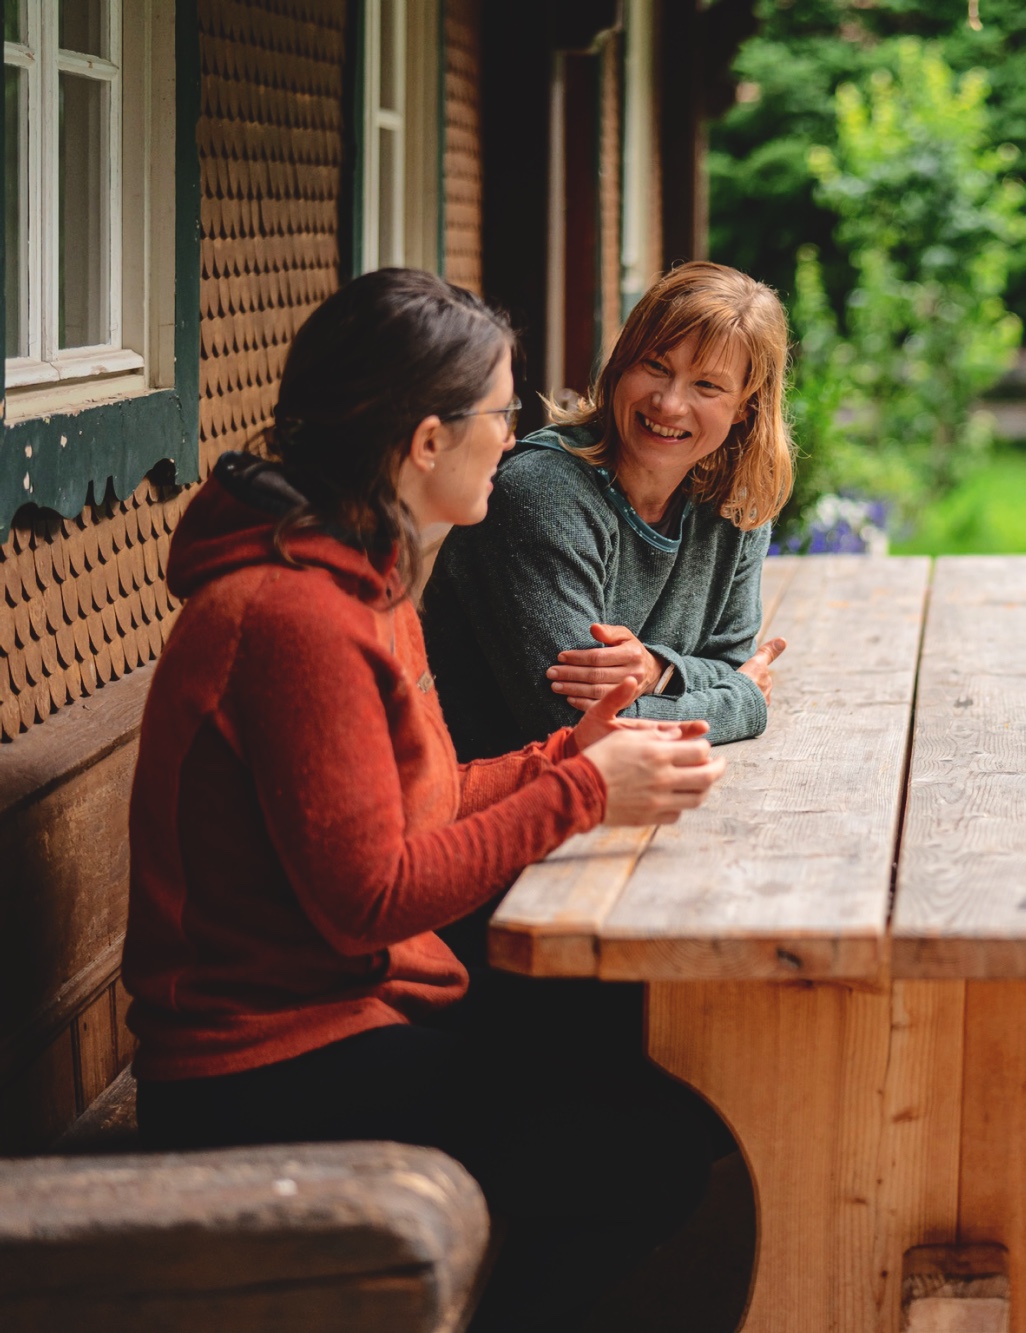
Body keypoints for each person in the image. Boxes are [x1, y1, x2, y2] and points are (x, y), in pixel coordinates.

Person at [125, 269, 733, 1333]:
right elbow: (369, 896)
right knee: (656, 1138)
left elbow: (417, 796)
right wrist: (583, 793)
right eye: (501, 413)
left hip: (349, 1016)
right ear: (424, 443)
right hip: (265, 1067)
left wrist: (561, 754)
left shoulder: (363, 574)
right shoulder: (298, 615)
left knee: (650, 1067)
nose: (516, 435)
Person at [422, 260, 793, 762]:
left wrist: (657, 669)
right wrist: (743, 705)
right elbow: (583, 729)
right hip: (493, 802)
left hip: (621, 799)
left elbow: (731, 659)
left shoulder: (737, 504)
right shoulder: (541, 495)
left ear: (745, 406)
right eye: (656, 366)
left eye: (707, 386)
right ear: (622, 365)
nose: (669, 403)